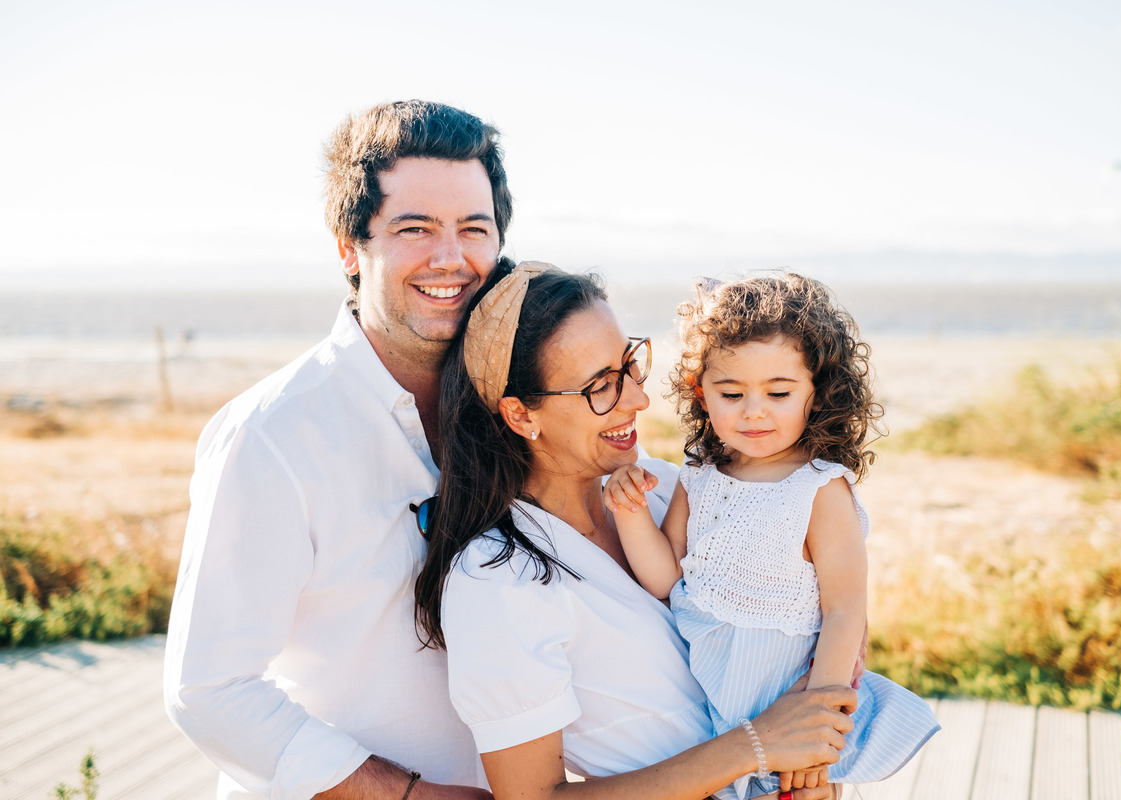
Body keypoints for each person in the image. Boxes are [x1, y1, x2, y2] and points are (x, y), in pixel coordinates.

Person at [163, 100, 513, 799]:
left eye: (473, 227)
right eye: (415, 228)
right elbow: (209, 690)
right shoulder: (274, 434)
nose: (452, 257)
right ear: (350, 246)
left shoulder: (513, 411)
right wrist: (409, 796)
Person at [415, 263, 860, 800]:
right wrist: (758, 747)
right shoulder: (497, 580)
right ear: (519, 413)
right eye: (601, 386)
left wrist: (817, 750)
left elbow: (825, 606)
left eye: (628, 367)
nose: (638, 400)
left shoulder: (666, 488)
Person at [601, 274, 941, 800]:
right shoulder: (700, 475)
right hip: (713, 696)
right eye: (731, 393)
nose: (754, 410)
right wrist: (629, 511)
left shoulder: (819, 490)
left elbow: (847, 610)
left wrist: (820, 724)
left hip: (790, 698)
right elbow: (667, 576)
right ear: (702, 394)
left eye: (779, 393)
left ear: (816, 392)